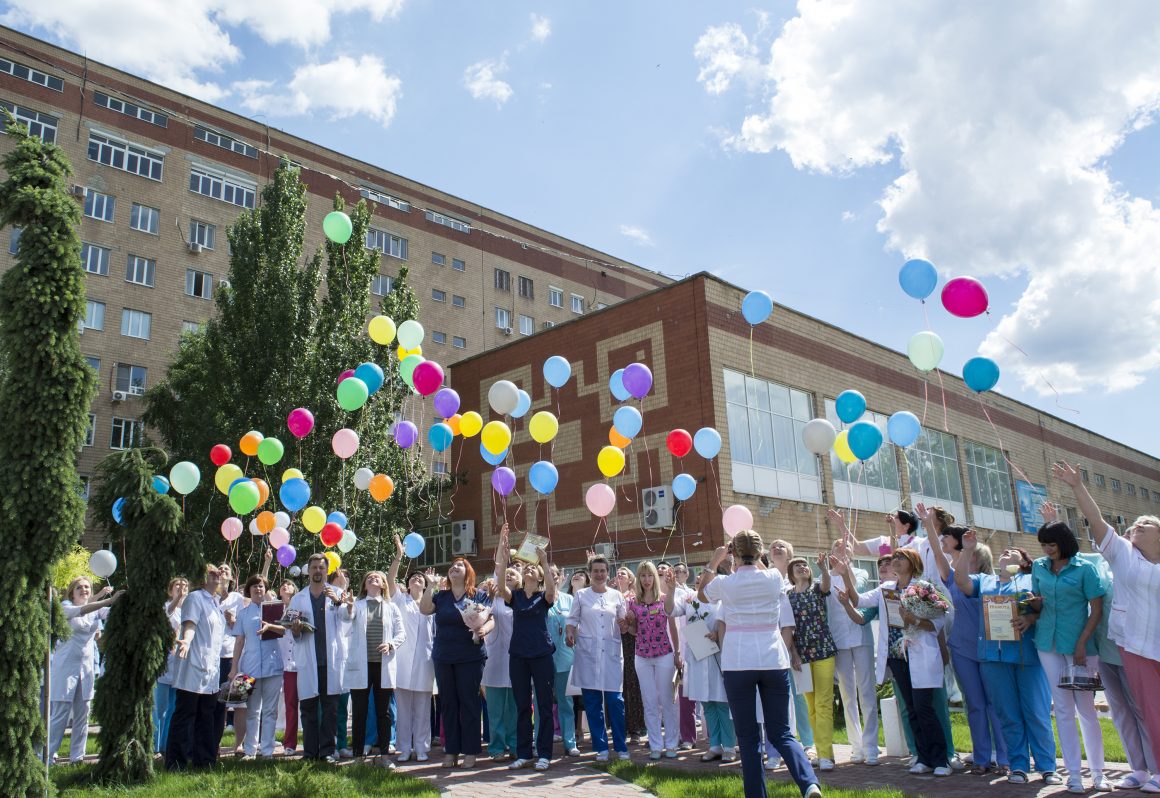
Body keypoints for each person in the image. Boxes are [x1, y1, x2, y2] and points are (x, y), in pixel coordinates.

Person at [1055, 461, 1160, 792]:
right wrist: (1077, 487)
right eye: (1135, 523)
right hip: (1136, 646)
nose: (1137, 526)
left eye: (1146, 523)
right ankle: (1146, 770)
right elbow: (1098, 522)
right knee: (1149, 709)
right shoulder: (1123, 554)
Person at [700, 530, 820, 798]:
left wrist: (715, 560)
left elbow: (701, 595)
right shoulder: (774, 577)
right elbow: (761, 571)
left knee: (748, 736)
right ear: (760, 552)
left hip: (738, 662)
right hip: (772, 659)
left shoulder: (725, 582)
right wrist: (750, 556)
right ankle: (809, 783)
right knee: (782, 732)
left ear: (733, 551)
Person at [951, 531, 1059, 785]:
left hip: (1026, 656)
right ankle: (1018, 765)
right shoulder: (985, 582)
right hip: (993, 657)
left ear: (1023, 563)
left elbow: (1047, 608)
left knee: (1036, 712)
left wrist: (1030, 617)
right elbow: (961, 581)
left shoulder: (1032, 580)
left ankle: (1047, 767)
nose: (1006, 553)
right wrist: (967, 549)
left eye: (1013, 553)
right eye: (1003, 552)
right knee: (1007, 714)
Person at [841, 548, 951, 777]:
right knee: (911, 708)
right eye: (894, 559)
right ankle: (922, 758)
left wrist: (915, 620)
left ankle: (941, 759)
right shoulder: (885, 589)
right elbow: (859, 600)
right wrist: (844, 575)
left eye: (900, 558)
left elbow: (939, 623)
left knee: (924, 707)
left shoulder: (925, 588)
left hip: (919, 653)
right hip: (897, 656)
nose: (895, 562)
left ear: (912, 563)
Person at [1028, 511, 1108, 793]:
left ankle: (1097, 773)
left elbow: (1096, 610)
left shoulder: (1084, 567)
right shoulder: (1039, 567)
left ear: (1064, 541)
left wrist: (1082, 643)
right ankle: (1073, 773)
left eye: (1052, 544)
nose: (1048, 550)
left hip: (1080, 647)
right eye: (1044, 545)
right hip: (1047, 643)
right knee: (1062, 708)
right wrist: (1033, 605)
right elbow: (1038, 608)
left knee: (1086, 709)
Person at [924, 517, 1009, 776]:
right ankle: (982, 757)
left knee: (996, 704)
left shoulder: (992, 582)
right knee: (975, 704)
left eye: (969, 555)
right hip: (962, 649)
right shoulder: (952, 579)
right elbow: (938, 553)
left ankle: (1004, 757)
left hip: (989, 649)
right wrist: (928, 524)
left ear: (979, 558)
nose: (962, 559)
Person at [421, 556, 494, 769]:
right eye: (452, 566)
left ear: (468, 572)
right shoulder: (441, 596)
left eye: (460, 565)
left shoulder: (478, 595)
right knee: (448, 704)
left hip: (470, 656)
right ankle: (451, 751)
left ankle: (470, 750)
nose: (454, 567)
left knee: (469, 703)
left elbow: (491, 619)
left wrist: (483, 630)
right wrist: (430, 586)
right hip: (444, 656)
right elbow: (424, 609)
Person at [495, 523, 557, 771]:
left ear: (540, 576)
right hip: (518, 655)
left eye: (534, 569)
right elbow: (500, 587)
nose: (529, 569)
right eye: (528, 567)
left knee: (543, 705)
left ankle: (544, 754)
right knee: (522, 705)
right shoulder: (516, 596)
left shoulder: (544, 597)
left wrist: (543, 561)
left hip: (542, 655)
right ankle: (524, 753)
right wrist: (502, 547)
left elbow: (552, 590)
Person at [823, 512, 880, 766]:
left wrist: (842, 527)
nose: (842, 550)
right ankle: (856, 746)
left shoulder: (860, 572)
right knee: (847, 694)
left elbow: (855, 588)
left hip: (860, 636)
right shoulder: (824, 578)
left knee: (866, 691)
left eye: (846, 547)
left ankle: (871, 747)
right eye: (838, 546)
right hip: (839, 639)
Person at [665, 564, 736, 762]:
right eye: (698, 579)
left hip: (719, 656)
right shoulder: (689, 599)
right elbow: (670, 611)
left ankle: (730, 746)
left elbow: (732, 622)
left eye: (705, 578)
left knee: (722, 701)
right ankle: (715, 745)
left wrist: (718, 635)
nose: (701, 581)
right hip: (697, 656)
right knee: (707, 702)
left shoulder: (723, 600)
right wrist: (671, 590)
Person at [48, 578, 123, 763]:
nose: (84, 590)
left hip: (86, 668)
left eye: (87, 587)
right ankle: (47, 755)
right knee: (60, 714)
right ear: (72, 592)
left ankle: (77, 757)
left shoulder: (96, 609)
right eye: (79, 587)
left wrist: (124, 599)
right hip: (65, 668)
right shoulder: (64, 606)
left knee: (83, 713)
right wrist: (108, 599)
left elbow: (113, 613)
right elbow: (81, 610)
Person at [289, 553, 354, 763]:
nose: (318, 571)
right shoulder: (298, 598)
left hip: (330, 661)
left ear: (327, 571)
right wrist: (296, 629)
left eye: (321, 568)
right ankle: (309, 753)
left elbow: (347, 618)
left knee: (330, 710)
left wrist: (340, 603)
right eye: (314, 567)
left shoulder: (337, 593)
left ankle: (326, 752)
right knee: (308, 709)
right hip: (309, 661)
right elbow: (291, 629)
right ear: (308, 571)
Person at [566, 555, 630, 762]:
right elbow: (572, 619)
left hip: (611, 654)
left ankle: (621, 747)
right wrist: (569, 632)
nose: (599, 574)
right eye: (596, 571)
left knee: (615, 702)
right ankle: (601, 747)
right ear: (590, 573)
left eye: (603, 570)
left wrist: (624, 625)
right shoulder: (581, 596)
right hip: (588, 654)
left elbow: (624, 622)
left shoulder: (616, 596)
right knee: (593, 703)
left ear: (608, 573)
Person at [167, 565, 227, 770]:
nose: (217, 575)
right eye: (212, 573)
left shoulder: (216, 603)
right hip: (193, 665)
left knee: (206, 716)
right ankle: (176, 763)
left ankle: (204, 761)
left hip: (211, 670)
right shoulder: (195, 598)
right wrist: (185, 640)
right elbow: (190, 624)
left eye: (218, 573)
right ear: (202, 578)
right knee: (186, 715)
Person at [346, 570, 406, 766]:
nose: (373, 579)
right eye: (369, 578)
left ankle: (385, 756)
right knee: (360, 711)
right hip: (361, 666)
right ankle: (357, 756)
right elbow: (346, 617)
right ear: (365, 585)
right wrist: (347, 606)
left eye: (377, 578)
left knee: (384, 712)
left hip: (383, 665)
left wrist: (390, 644)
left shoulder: (391, 607)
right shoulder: (356, 605)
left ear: (383, 585)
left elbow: (401, 633)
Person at [786, 554, 838, 772]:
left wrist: (823, 568)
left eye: (804, 564)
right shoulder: (787, 596)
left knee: (824, 703)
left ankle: (826, 755)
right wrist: (794, 653)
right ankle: (820, 750)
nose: (802, 567)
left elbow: (827, 585)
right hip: (801, 657)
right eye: (797, 565)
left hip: (824, 650)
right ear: (790, 574)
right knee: (811, 706)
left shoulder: (817, 588)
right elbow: (787, 627)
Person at [387, 536, 436, 763]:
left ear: (426, 585)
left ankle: (422, 748)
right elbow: (389, 580)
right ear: (407, 584)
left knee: (423, 708)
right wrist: (399, 555)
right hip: (403, 661)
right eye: (413, 577)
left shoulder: (431, 604)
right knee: (404, 709)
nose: (417, 578)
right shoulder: (399, 600)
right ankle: (404, 748)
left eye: (421, 577)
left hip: (426, 661)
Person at [625, 561, 681, 760]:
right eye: (643, 576)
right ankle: (656, 744)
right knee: (649, 702)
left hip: (664, 653)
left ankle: (672, 743)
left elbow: (672, 624)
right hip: (642, 656)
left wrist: (677, 653)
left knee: (667, 700)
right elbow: (633, 631)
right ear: (638, 578)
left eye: (650, 576)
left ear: (655, 578)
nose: (647, 580)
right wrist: (627, 623)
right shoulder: (632, 602)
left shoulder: (663, 599)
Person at [227, 575, 285, 759]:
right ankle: (250, 751)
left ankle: (267, 751)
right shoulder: (244, 614)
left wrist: (271, 627)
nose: (258, 589)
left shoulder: (276, 609)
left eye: (261, 586)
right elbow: (239, 641)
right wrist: (234, 668)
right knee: (252, 711)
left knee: (270, 710)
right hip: (250, 668)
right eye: (254, 587)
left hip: (273, 665)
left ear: (266, 589)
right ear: (249, 591)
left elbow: (285, 630)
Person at [539, 564, 580, 757]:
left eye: (554, 574)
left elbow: (574, 624)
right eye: (548, 574)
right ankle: (540, 740)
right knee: (541, 702)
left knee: (566, 702)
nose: (552, 578)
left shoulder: (569, 599)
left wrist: (573, 635)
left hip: (564, 657)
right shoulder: (537, 599)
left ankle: (569, 742)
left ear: (558, 577)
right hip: (541, 658)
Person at [153, 576, 187, 755]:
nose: (181, 588)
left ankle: (167, 745)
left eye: (184, 585)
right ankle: (154, 746)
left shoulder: (189, 609)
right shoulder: (166, 606)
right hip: (165, 663)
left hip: (181, 665)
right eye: (177, 585)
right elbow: (168, 613)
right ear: (170, 589)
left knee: (174, 708)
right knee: (160, 708)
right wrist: (177, 599)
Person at [615, 565, 647, 745]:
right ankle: (620, 726)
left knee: (632, 683)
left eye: (624, 573)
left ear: (630, 579)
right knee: (618, 685)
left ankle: (636, 727)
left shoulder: (635, 598)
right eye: (618, 573)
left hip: (630, 642)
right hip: (613, 642)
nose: (620, 575)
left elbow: (641, 623)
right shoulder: (610, 596)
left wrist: (630, 622)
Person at [276, 579, 299, 755]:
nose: (285, 586)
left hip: (300, 662)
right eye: (282, 585)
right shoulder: (274, 608)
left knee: (306, 703)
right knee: (288, 704)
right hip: (280, 663)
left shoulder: (301, 606)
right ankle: (288, 742)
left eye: (289, 584)